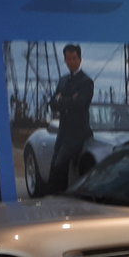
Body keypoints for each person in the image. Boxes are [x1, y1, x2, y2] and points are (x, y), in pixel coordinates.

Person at [48, 43, 95, 192]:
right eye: (68, 59)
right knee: (54, 164)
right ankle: (56, 198)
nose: (71, 62)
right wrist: (69, 100)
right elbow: (52, 104)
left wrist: (61, 100)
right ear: (65, 60)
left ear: (80, 59)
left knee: (59, 165)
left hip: (78, 133)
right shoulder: (63, 80)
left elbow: (80, 104)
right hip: (63, 131)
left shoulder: (86, 82)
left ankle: (59, 197)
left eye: (74, 58)